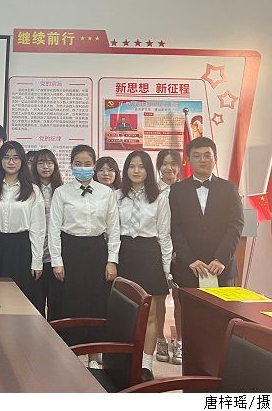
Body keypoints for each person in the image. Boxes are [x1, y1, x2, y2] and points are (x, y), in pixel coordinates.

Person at [48, 144, 119, 357]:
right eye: (78, 164)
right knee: (70, 301)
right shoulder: (61, 192)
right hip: (70, 250)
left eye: (87, 164)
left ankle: (94, 354)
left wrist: (112, 260)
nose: (83, 168)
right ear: (71, 166)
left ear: (94, 165)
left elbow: (114, 228)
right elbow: (54, 228)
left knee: (96, 301)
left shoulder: (106, 193)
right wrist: (56, 260)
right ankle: (69, 352)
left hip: (97, 250)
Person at [116, 151, 172, 381]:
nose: (136, 170)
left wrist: (166, 269)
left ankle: (146, 365)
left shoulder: (159, 198)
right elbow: (111, 231)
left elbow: (164, 234)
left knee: (149, 313)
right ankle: (123, 359)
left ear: (149, 170)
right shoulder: (117, 196)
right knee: (123, 310)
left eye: (141, 166)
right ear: (126, 170)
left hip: (150, 254)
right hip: (124, 253)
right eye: (132, 166)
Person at [169, 137, 244, 290]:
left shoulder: (229, 188)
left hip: (222, 268)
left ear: (215, 159)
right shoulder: (176, 190)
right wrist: (189, 259)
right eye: (196, 156)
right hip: (188, 268)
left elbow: (236, 225)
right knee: (187, 306)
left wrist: (221, 258)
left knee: (223, 307)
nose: (202, 160)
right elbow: (175, 228)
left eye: (207, 155)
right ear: (188, 160)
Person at [0, 141, 45, 310]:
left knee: (22, 297)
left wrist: (37, 261)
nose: (11, 162)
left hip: (22, 248)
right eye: (6, 157)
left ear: (22, 161)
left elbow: (38, 229)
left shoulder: (33, 190)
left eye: (16, 158)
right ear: (1, 161)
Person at [155, 148, 183, 365]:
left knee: (180, 298)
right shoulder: (152, 190)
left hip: (182, 253)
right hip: (158, 250)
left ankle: (180, 341)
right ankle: (160, 339)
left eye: (173, 163)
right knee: (158, 297)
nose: (169, 167)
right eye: (164, 163)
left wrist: (180, 250)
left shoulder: (186, 190)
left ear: (180, 167)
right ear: (158, 167)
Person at [30, 148, 64, 320]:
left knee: (57, 301)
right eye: (41, 163)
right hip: (35, 251)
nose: (45, 167)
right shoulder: (29, 190)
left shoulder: (62, 190)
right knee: (35, 299)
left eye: (49, 162)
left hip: (56, 253)